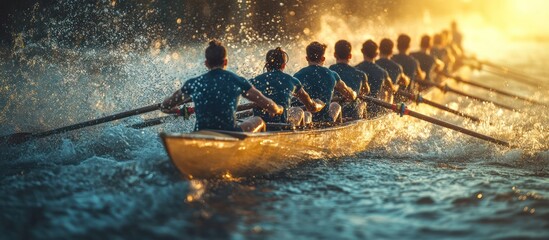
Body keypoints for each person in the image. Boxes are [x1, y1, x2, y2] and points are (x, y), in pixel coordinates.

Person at [161, 40, 283, 132]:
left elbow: (165, 106)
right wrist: (278, 109)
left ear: (206, 63)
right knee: (259, 120)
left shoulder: (194, 83)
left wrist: (175, 110)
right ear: (225, 62)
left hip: (201, 132)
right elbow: (268, 105)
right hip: (230, 132)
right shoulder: (237, 81)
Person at [250, 47, 325, 126]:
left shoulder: (254, 81)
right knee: (298, 110)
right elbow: (311, 107)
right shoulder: (292, 81)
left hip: (259, 125)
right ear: (283, 65)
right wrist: (320, 105)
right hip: (282, 126)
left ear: (266, 64)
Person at [294, 41, 357, 123]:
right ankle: (335, 124)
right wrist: (354, 94)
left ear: (307, 58)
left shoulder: (297, 76)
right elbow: (350, 95)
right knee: (335, 105)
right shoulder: (332, 75)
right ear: (323, 58)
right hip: (324, 120)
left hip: (305, 118)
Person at [329, 40, 369, 119]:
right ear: (350, 56)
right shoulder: (361, 74)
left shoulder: (329, 71)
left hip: (334, 113)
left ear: (335, 55)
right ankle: (365, 121)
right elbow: (366, 91)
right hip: (354, 113)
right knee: (363, 102)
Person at [355, 39, 397, 117]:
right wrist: (395, 88)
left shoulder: (355, 69)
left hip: (358, 108)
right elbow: (392, 88)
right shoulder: (382, 72)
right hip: (375, 108)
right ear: (376, 54)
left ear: (362, 51)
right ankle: (388, 112)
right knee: (386, 92)